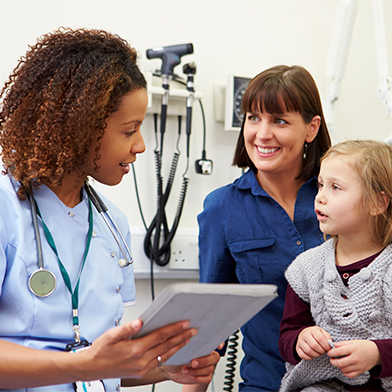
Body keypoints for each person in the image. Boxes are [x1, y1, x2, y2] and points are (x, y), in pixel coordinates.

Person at [0, 27, 219, 391]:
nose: (141, 146)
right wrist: (81, 365)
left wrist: (165, 369)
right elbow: (89, 363)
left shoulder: (110, 224)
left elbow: (107, 365)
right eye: (129, 130)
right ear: (79, 128)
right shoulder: (7, 207)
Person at [183, 65, 332, 392]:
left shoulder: (340, 195)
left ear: (311, 128)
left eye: (279, 120)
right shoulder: (222, 208)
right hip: (269, 384)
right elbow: (211, 321)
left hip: (352, 381)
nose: (262, 134)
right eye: (253, 117)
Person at [279, 140, 392, 392]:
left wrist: (377, 354)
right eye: (320, 185)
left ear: (378, 203)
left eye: (335, 187)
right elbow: (288, 334)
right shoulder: (306, 269)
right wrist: (301, 340)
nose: (320, 197)